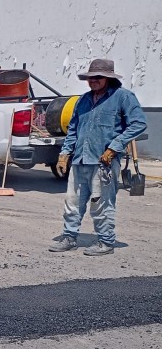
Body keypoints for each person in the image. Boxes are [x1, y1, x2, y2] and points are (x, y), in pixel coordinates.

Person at [49, 58, 147, 256]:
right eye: (91, 77)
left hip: (104, 162)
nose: (93, 80)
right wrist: (64, 153)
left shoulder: (123, 97)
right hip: (80, 160)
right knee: (72, 202)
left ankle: (105, 242)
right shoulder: (83, 100)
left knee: (101, 203)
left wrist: (115, 147)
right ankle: (69, 237)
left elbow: (138, 124)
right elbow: (74, 129)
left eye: (98, 77)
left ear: (108, 78)